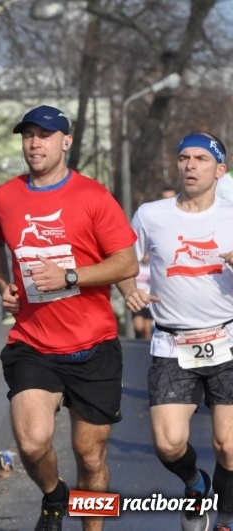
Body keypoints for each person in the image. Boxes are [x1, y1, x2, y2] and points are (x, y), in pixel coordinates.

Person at [0, 105, 138, 531]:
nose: (35, 143)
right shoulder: (5, 196)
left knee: (91, 456)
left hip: (93, 344)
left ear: (65, 141)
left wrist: (70, 275)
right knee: (31, 444)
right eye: (28, 135)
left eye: (45, 135)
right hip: (33, 343)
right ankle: (54, 495)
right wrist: (1, 285)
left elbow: (126, 262)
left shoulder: (93, 197)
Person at [118, 131, 233, 531]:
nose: (190, 165)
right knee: (168, 443)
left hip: (227, 338)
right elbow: (123, 262)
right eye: (184, 157)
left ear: (220, 169)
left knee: (229, 446)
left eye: (201, 159)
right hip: (171, 340)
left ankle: (225, 520)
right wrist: (131, 291)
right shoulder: (152, 214)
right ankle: (194, 482)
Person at [131, 252, 153, 340]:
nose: (145, 257)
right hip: (137, 300)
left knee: (147, 330)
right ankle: (138, 338)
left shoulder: (152, 268)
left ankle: (146, 350)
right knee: (139, 327)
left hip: (148, 302)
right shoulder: (135, 267)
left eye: (147, 254)